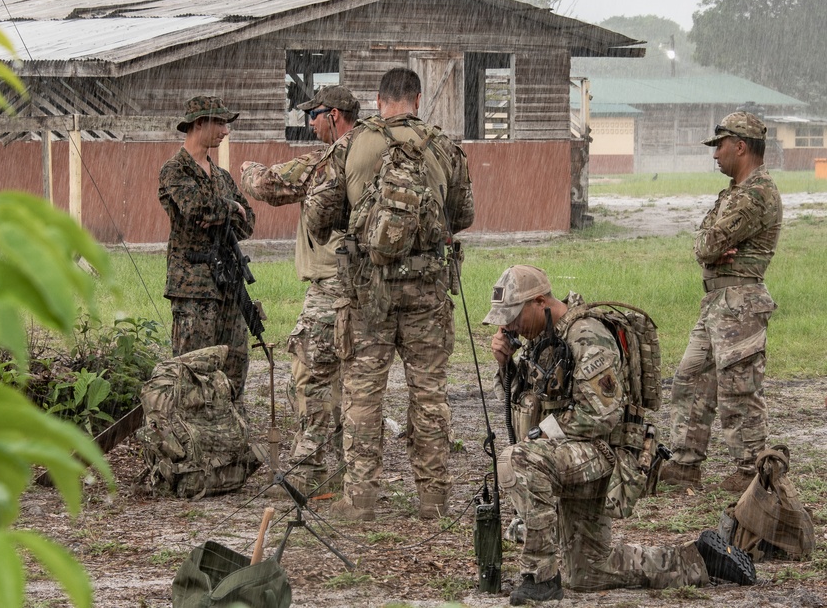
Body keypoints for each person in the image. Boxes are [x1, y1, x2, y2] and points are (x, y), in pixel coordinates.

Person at [485, 264, 756, 605]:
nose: (507, 326)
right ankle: (699, 560)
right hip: (573, 453)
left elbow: (601, 414)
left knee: (518, 458)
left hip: (607, 453)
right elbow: (521, 403)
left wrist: (540, 435)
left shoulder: (587, 336)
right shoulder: (542, 339)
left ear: (539, 302)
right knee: (588, 572)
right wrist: (505, 365)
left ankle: (540, 577)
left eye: (513, 316)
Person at [304, 67, 474, 520]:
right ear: (417, 99)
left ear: (378, 101)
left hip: (366, 292)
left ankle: (359, 501)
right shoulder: (445, 147)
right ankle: (433, 501)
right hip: (427, 293)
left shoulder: (351, 145)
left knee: (364, 395)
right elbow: (463, 215)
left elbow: (319, 217)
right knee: (429, 395)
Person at [240, 86, 360, 493]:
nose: (310, 123)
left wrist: (246, 168)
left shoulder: (329, 160)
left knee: (309, 373)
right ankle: (347, 470)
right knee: (350, 377)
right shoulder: (375, 157)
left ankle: (311, 471)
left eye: (316, 114)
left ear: (337, 115)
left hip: (332, 284)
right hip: (370, 285)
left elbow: (267, 186)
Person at [661, 111, 782, 494]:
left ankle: (752, 474)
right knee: (691, 379)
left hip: (740, 302)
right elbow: (705, 243)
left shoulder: (755, 194)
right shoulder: (734, 192)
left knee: (738, 392)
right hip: (718, 300)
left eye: (720, 146)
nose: (715, 155)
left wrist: (711, 247)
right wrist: (709, 247)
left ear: (741, 146)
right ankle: (684, 466)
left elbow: (708, 244)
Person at [158, 96, 256, 402]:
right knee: (193, 372)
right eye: (220, 123)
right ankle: (193, 442)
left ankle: (229, 435)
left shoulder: (222, 176)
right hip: (193, 288)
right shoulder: (175, 171)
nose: (226, 131)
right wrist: (230, 207)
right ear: (199, 123)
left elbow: (248, 222)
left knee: (235, 365)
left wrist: (225, 211)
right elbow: (197, 209)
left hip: (229, 284)